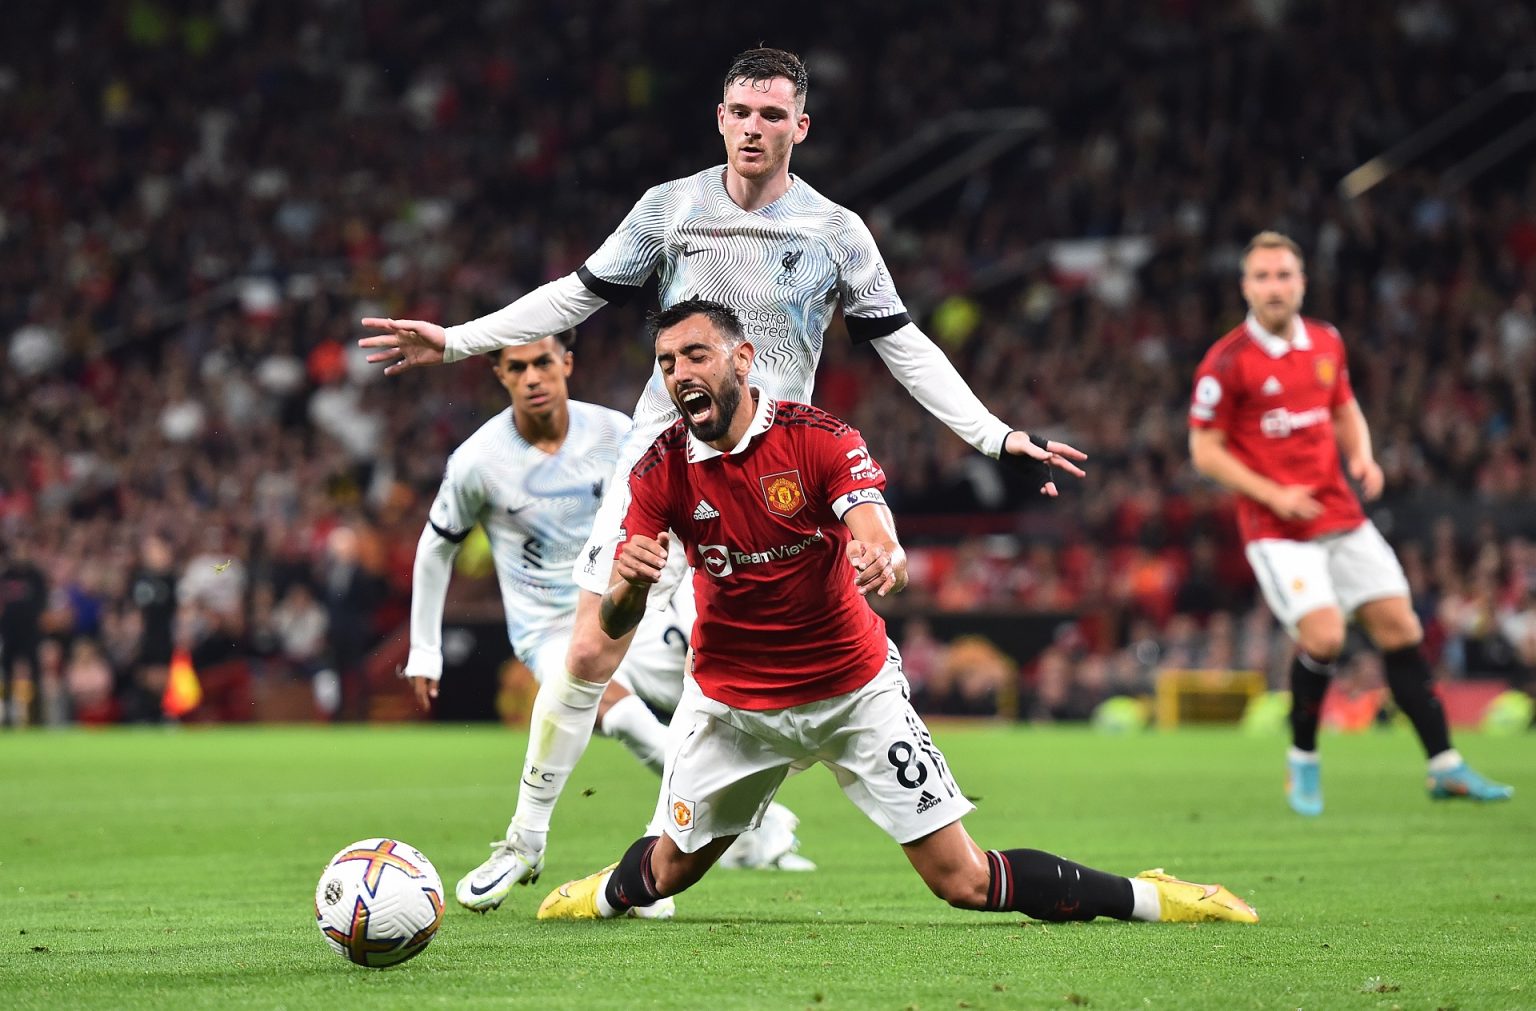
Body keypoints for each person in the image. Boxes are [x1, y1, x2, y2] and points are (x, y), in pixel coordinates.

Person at [360, 47, 1086, 890]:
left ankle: (691, 844)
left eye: (772, 115)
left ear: (800, 127)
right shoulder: (670, 208)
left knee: (740, 668)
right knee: (589, 650)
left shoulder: (835, 232)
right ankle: (524, 840)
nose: (753, 128)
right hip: (663, 462)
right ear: (720, 118)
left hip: (777, 479)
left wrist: (995, 436)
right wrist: (456, 340)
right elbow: (575, 293)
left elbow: (903, 345)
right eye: (741, 112)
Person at [536, 299, 1255, 926]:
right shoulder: (658, 467)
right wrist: (629, 585)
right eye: (666, 362)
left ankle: (1151, 897)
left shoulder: (817, 437)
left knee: (964, 880)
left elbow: (875, 530)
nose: (679, 373)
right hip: (734, 705)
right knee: (668, 871)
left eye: (696, 354)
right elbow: (616, 620)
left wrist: (886, 556)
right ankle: (597, 895)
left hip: (852, 691)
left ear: (743, 358)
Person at [404, 331, 812, 916]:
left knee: (732, 707)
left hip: (634, 602)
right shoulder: (478, 460)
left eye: (543, 362)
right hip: (550, 627)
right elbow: (436, 545)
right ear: (500, 375)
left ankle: (745, 829)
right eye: (517, 367)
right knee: (620, 714)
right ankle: (532, 846)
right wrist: (425, 650)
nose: (533, 377)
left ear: (567, 362)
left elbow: (677, 502)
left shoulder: (616, 433)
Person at [1188, 231, 1513, 815]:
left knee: (1401, 629)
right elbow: (1204, 450)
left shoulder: (1326, 341)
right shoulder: (1226, 361)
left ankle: (1445, 767)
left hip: (1341, 513)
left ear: (1302, 281)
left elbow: (1342, 407)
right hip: (1278, 530)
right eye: (1262, 276)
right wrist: (1274, 494)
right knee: (1325, 637)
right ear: (1245, 286)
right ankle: (1303, 759)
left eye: (1284, 275)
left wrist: (1362, 454)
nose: (1274, 287)